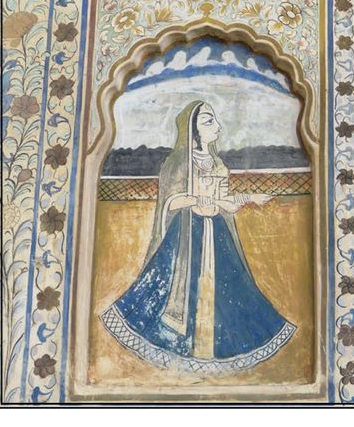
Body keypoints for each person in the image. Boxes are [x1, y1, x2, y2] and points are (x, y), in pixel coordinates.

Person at [102, 100, 292, 373]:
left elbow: (224, 202)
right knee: (173, 287)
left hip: (217, 232)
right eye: (208, 121)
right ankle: (182, 346)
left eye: (214, 120)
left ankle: (219, 348)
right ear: (192, 130)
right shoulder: (178, 163)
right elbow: (169, 203)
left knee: (231, 291)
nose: (217, 126)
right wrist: (194, 198)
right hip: (185, 235)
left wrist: (250, 197)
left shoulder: (217, 163)